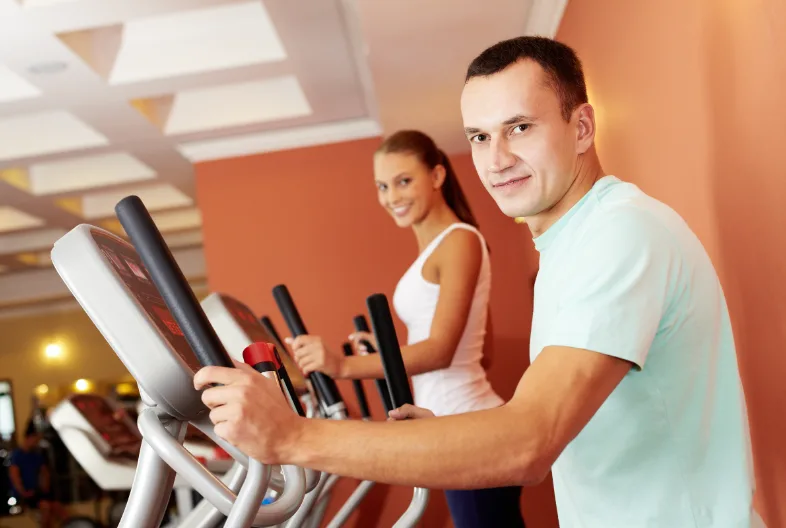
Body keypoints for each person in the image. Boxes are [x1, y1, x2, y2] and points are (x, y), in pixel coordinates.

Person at [193, 35, 755, 527]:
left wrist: (292, 438)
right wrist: (446, 434)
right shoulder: (572, 243)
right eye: (480, 137)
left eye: (519, 128)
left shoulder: (620, 233)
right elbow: (567, 419)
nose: (497, 158)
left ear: (581, 127)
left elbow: (529, 441)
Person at [283, 129, 524, 527]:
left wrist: (340, 366)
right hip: (450, 425)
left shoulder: (459, 242)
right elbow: (481, 350)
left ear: (437, 176)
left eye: (403, 181)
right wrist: (385, 350)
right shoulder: (442, 246)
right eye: (382, 186)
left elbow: (443, 351)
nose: (391, 197)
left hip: (466, 425)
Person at [8, 424, 65, 527]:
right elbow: (14, 476)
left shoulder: (37, 456)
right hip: (25, 494)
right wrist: (23, 492)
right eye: (36, 439)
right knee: (46, 507)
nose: (37, 442)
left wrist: (45, 489)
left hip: (37, 493)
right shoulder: (17, 455)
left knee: (58, 507)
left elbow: (44, 473)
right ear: (29, 437)